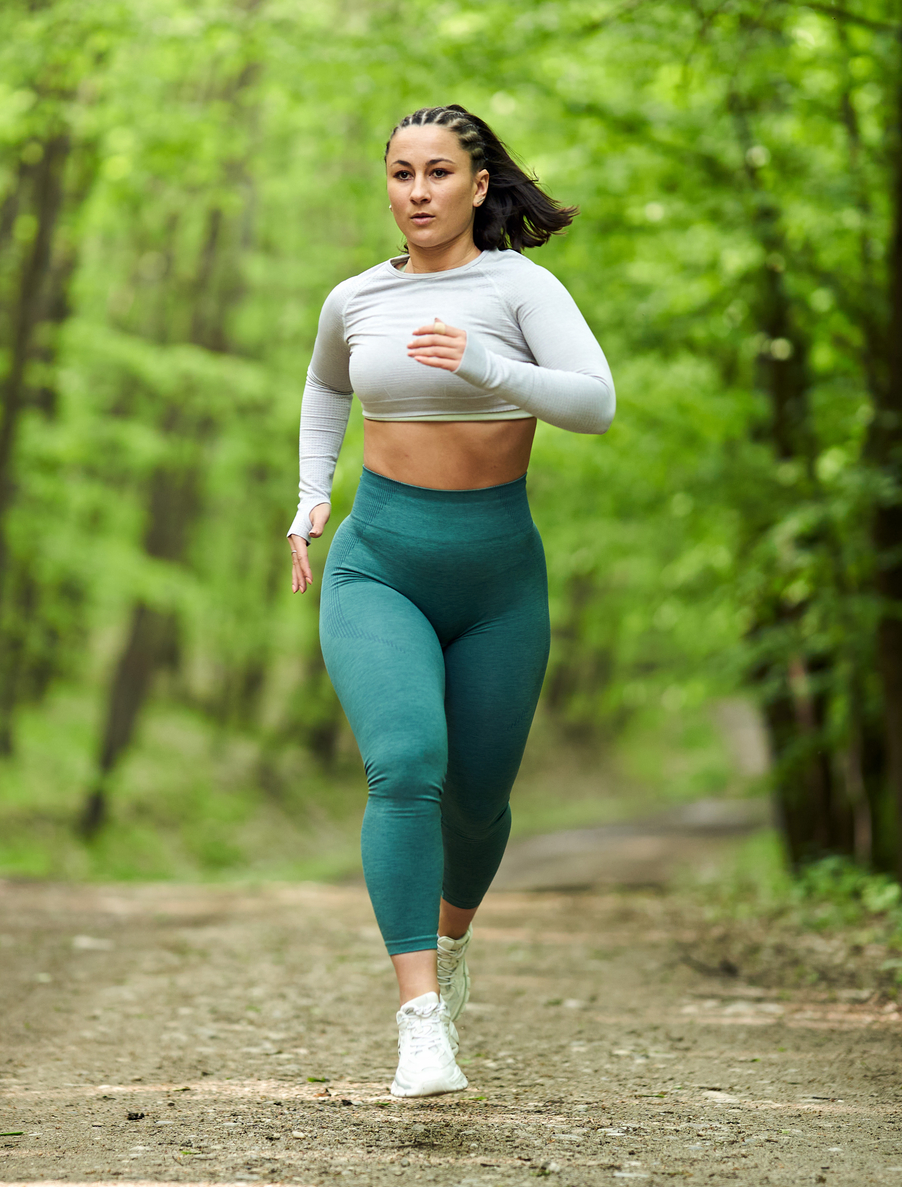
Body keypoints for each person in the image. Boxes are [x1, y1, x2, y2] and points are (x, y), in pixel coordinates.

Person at [286, 105, 615, 1097]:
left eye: (436, 173)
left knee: (476, 800)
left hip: (495, 578)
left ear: (477, 187)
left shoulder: (519, 286)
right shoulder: (353, 298)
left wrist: (484, 364)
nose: (416, 191)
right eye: (399, 173)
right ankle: (418, 1021)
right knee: (405, 766)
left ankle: (453, 942)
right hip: (377, 561)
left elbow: (593, 402)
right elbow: (323, 390)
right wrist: (311, 492)